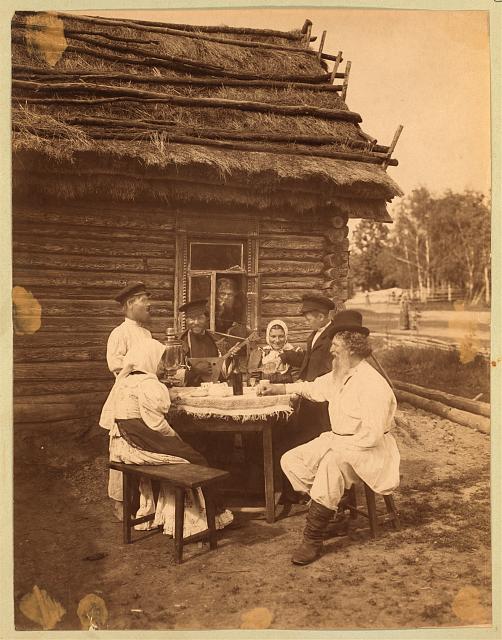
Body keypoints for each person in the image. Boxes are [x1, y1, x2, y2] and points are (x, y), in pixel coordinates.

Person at [258, 310, 400, 565]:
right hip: (340, 440)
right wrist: (279, 387)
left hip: (370, 449)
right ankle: (329, 508)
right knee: (292, 460)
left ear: (351, 348)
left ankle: (312, 538)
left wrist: (338, 450)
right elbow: (313, 388)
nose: (332, 350)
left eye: (336, 345)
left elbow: (372, 435)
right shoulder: (341, 374)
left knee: (330, 466)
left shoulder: (372, 384)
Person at [99, 338, 233, 536]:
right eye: (160, 361)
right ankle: (204, 520)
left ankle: (175, 514)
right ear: (149, 359)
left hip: (121, 444)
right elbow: (157, 425)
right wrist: (176, 439)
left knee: (187, 450)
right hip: (137, 443)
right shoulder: (147, 383)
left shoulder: (126, 380)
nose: (162, 366)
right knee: (194, 458)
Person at [106, 282, 152, 376]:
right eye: (143, 300)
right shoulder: (120, 333)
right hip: (128, 387)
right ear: (130, 303)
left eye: (148, 300)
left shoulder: (147, 333)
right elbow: (115, 364)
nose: (148, 304)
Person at [179, 299, 220, 386]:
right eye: (192, 319)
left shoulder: (216, 341)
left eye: (200, 318)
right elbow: (172, 375)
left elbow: (223, 371)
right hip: (187, 391)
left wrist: (230, 358)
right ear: (186, 320)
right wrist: (195, 371)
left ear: (207, 319)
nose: (196, 323)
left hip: (213, 390)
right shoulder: (179, 342)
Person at [248, 319, 301, 385]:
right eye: (273, 336)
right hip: (265, 392)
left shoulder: (293, 353)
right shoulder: (260, 353)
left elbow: (297, 380)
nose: (277, 340)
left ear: (286, 336)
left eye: (281, 336)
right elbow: (253, 380)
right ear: (268, 336)